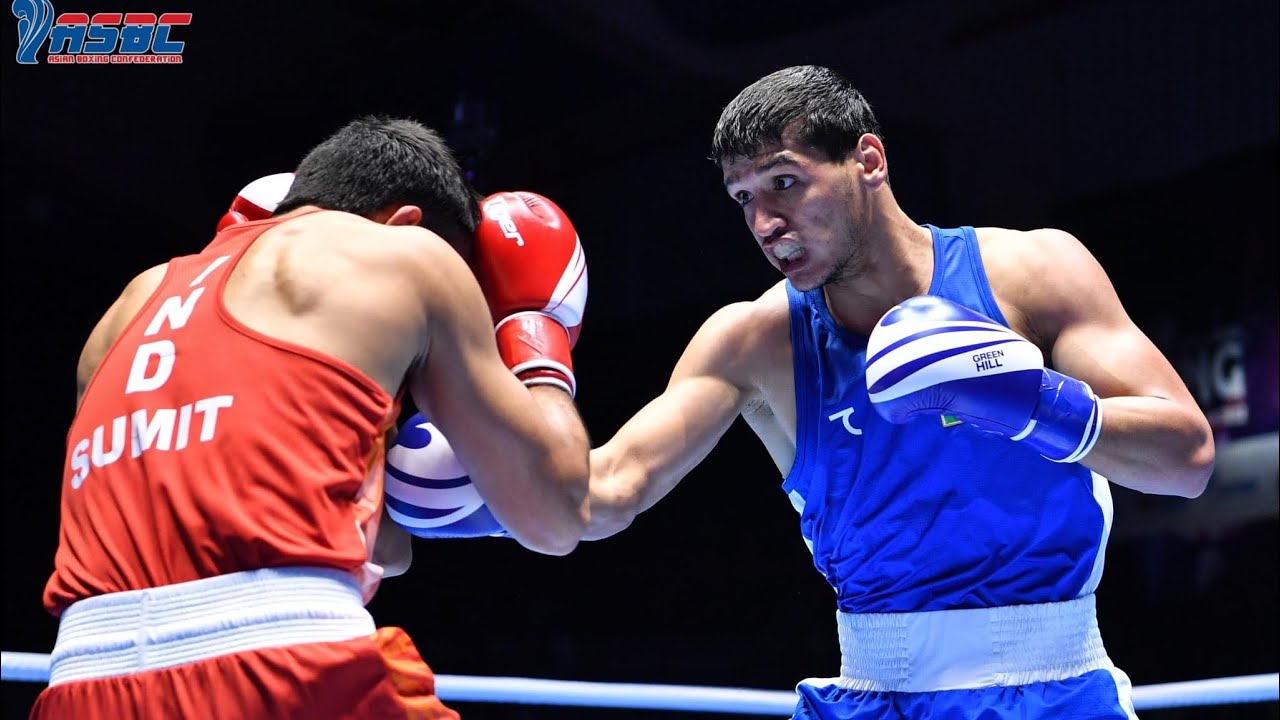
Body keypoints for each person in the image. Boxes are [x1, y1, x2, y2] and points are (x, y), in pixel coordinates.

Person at [585, 65, 1215, 719]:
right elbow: (607, 491)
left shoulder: (1031, 276)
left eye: (784, 183)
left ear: (868, 160)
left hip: (1055, 692)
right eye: (743, 197)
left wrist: (1028, 402)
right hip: (871, 698)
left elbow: (1187, 460)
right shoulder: (752, 342)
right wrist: (480, 474)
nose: (765, 222)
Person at [33, 115, 592, 720]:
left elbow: (378, 545)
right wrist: (536, 332)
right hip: (284, 667)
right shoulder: (407, 256)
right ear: (403, 224)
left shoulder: (129, 306)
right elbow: (555, 515)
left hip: (81, 679)